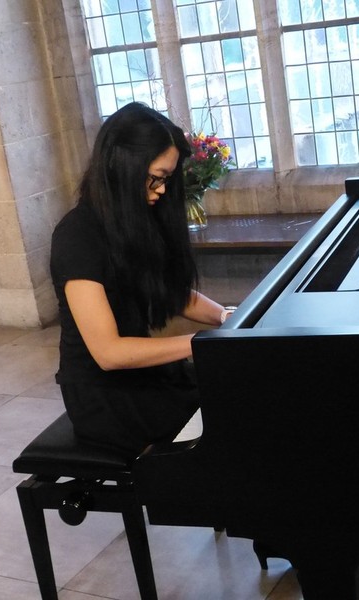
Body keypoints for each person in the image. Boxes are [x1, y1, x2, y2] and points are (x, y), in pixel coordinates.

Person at [50, 102, 233, 457]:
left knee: (235, 384)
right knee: (224, 416)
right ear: (122, 164)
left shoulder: (133, 220)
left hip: (141, 377)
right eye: (157, 177)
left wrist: (227, 317)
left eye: (167, 179)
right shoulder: (77, 235)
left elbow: (170, 292)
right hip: (104, 396)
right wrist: (203, 343)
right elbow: (109, 353)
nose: (162, 189)